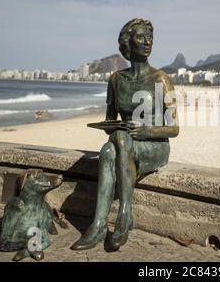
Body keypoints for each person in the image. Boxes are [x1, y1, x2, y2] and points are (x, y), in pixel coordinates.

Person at [71, 18, 179, 252]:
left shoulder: (161, 79)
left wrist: (144, 130)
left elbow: (174, 129)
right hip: (125, 145)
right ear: (128, 43)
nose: (148, 41)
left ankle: (123, 214)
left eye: (150, 37)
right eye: (141, 37)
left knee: (116, 144)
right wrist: (110, 127)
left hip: (155, 145)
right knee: (108, 150)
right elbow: (111, 122)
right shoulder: (116, 80)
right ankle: (100, 224)